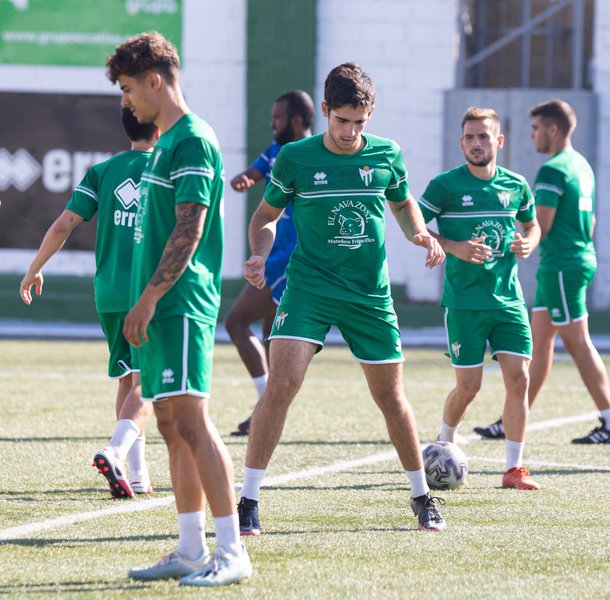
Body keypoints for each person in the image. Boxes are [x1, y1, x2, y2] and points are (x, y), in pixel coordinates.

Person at [237, 62, 447, 535]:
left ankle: (422, 497)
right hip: (308, 288)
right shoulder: (295, 158)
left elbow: (402, 201)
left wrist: (420, 234)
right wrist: (257, 254)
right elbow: (265, 217)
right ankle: (248, 500)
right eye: (342, 121)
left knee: (391, 397)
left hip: (369, 296)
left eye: (360, 122)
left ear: (370, 114)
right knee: (282, 385)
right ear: (326, 111)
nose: (350, 132)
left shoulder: (388, 154)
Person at [107, 32, 252, 585]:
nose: (126, 101)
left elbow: (189, 229)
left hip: (182, 301)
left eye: (127, 88)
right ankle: (190, 548)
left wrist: (149, 297)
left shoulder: (192, 139)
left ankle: (232, 550)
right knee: (168, 421)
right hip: (162, 304)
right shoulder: (165, 142)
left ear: (155, 80)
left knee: (192, 418)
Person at [19, 108, 157, 499]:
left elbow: (64, 223)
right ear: (160, 124)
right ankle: (115, 451)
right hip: (147, 293)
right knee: (149, 380)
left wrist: (34, 268)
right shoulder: (168, 170)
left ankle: (138, 472)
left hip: (109, 294)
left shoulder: (103, 171)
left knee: (128, 376)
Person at [473, 99, 610, 444]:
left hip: (563, 267)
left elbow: (540, 225)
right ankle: (510, 419)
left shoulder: (553, 170)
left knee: (578, 344)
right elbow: (592, 221)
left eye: (536, 128)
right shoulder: (580, 165)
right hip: (569, 263)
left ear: (553, 129)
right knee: (539, 346)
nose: (531, 135)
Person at [420, 107, 542, 490]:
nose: (477, 144)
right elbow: (416, 228)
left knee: (519, 378)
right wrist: (453, 247)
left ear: (499, 141)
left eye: (484, 137)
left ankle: (514, 468)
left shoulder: (516, 185)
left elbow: (532, 225)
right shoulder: (445, 187)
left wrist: (528, 244)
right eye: (470, 137)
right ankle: (446, 440)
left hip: (508, 301)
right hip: (464, 303)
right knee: (469, 388)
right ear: (461, 143)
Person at [225, 90, 314, 436]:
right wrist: (244, 178)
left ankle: (266, 405)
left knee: (235, 322)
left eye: (278, 117)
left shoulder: (313, 153)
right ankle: (268, 408)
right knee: (269, 337)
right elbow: (256, 171)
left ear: (295, 120)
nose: (272, 123)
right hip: (272, 254)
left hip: (289, 259)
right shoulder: (277, 150)